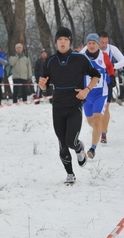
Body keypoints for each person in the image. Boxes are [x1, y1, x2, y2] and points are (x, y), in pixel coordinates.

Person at [38, 26, 100, 184]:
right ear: (56, 42)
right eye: (60, 40)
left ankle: (79, 148)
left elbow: (96, 76)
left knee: (71, 141)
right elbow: (45, 86)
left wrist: (86, 90)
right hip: (58, 106)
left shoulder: (79, 58)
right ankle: (70, 174)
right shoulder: (51, 61)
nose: (63, 42)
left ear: (70, 42)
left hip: (74, 105)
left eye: (65, 39)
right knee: (62, 143)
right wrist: (42, 85)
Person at [81, 33, 115, 159]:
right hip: (86, 95)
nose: (91, 45)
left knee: (96, 121)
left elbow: (110, 67)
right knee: (90, 121)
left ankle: (92, 149)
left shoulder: (104, 56)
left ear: (98, 45)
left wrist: (112, 77)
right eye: (89, 43)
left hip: (101, 94)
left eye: (94, 43)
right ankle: (100, 130)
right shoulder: (82, 57)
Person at [91, 31, 124, 144]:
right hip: (94, 82)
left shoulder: (112, 49)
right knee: (94, 108)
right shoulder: (91, 47)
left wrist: (112, 66)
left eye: (106, 42)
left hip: (107, 81)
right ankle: (97, 127)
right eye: (101, 42)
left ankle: (104, 133)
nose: (104, 45)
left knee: (106, 106)